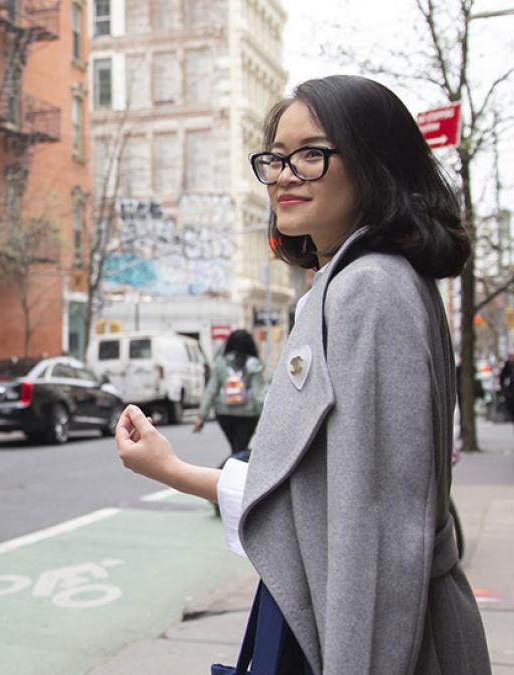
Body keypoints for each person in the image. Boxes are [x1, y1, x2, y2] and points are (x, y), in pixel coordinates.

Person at [114, 75, 490, 674]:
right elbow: (314, 494)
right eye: (276, 158)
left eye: (311, 154)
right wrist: (173, 470)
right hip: (321, 610)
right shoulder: (348, 283)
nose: (285, 175)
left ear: (376, 163)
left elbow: (377, 532)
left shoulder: (369, 290)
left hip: (362, 635)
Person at [194, 329, 266, 462]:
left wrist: (201, 417)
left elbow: (211, 390)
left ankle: (229, 473)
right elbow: (259, 393)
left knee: (236, 448)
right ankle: (222, 473)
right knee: (240, 448)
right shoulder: (254, 364)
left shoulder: (221, 363)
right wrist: (267, 418)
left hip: (224, 413)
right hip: (248, 414)